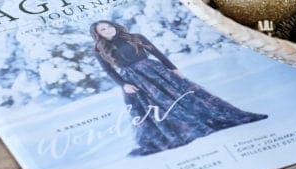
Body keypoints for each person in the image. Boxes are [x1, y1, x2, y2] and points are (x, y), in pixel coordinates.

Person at [90, 20, 267, 156]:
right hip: (134, 80)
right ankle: (179, 131)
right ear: (99, 35)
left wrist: (173, 69)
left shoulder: (136, 37)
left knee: (186, 95)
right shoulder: (100, 50)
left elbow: (157, 53)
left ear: (113, 25)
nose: (107, 30)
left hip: (155, 70)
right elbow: (108, 70)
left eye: (108, 26)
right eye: (102, 30)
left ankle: (215, 117)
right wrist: (123, 85)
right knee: (156, 107)